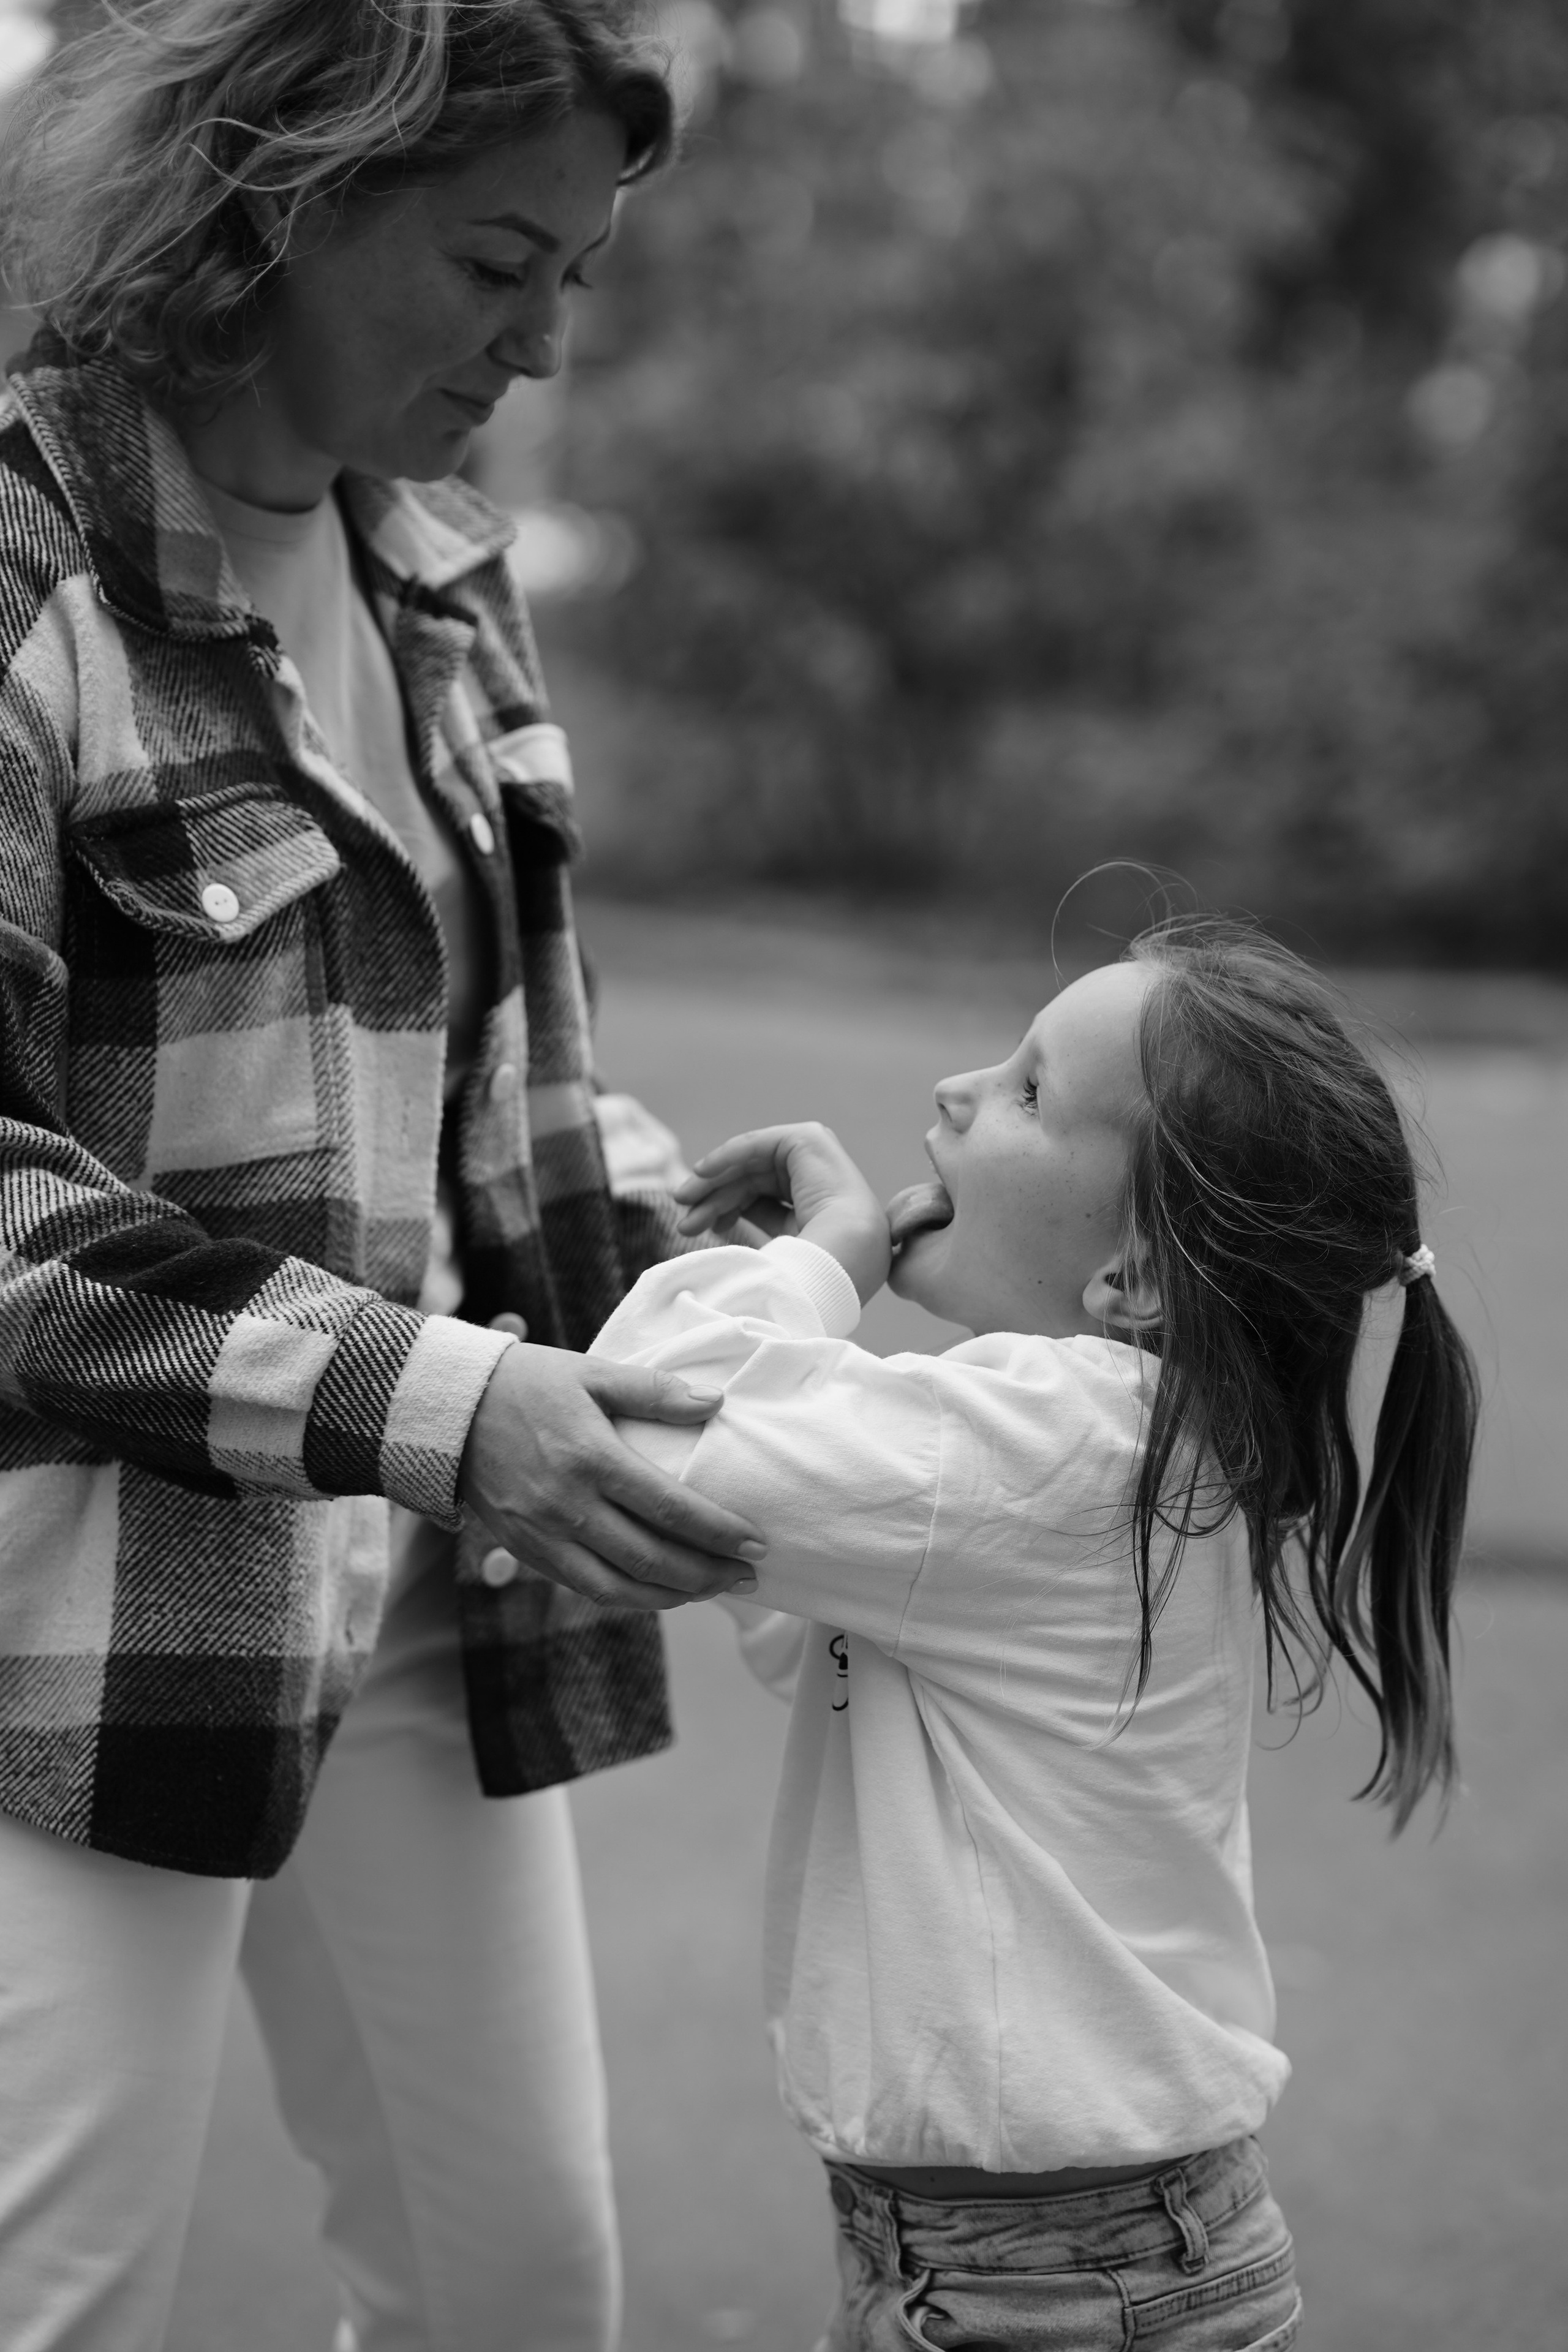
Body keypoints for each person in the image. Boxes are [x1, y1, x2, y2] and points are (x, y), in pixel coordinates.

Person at [0, 5, 769, 2348]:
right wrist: (446, 1401)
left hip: (420, 1582)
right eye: (494, 264)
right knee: (62, 2298)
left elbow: (451, 1108)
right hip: (66, 1629)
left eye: (577, 278)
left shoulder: (443, 576)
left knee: (517, 2285)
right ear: (278, 193)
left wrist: (719, 1240)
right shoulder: (28, 573)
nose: (541, 348)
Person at [591, 916, 1480, 2352]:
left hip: (1059, 2284)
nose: (952, 1092)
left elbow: (639, 1425)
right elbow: (799, 1623)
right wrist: (775, 1411)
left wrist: (816, 1270)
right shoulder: (1117, 1440)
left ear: (1133, 1278)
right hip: (1054, 2257)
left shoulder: (1051, 1446)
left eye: (1023, 1092)